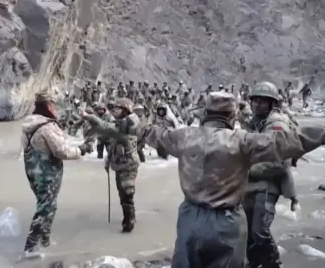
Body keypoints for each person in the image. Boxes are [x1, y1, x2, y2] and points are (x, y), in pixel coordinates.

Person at [134, 91, 325, 267]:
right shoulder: (242, 141)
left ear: (205, 113)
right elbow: (287, 142)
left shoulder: (182, 137)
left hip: (190, 218)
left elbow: (149, 132)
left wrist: (136, 120)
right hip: (228, 222)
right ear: (232, 115)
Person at [21, 91, 92, 259]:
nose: (55, 109)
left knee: (47, 205)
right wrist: (80, 150)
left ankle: (45, 241)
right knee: (45, 208)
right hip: (47, 173)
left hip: (32, 171)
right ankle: (30, 247)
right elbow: (62, 151)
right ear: (49, 106)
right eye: (53, 105)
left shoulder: (28, 124)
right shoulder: (47, 126)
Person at [244, 81, 299, 268]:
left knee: (260, 232)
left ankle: (274, 263)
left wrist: (249, 170)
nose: (257, 105)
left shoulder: (277, 125)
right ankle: (254, 262)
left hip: (268, 184)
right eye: (255, 101)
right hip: (250, 184)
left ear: (271, 104)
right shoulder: (254, 122)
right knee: (247, 231)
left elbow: (279, 163)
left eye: (263, 102)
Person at [81, 97, 140, 233]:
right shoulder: (121, 122)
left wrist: (90, 117)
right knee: (122, 192)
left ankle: (129, 221)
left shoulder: (130, 123)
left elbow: (107, 127)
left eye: (119, 108)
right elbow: (113, 144)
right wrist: (108, 161)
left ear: (126, 110)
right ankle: (130, 215)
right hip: (119, 163)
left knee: (127, 191)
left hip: (129, 165)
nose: (115, 111)